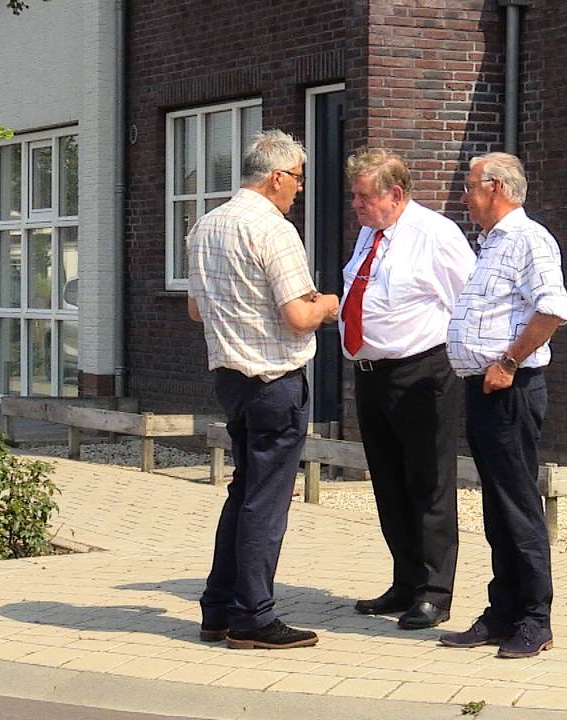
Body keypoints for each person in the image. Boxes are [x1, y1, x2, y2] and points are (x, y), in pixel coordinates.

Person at [186, 129, 340, 650]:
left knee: (242, 491)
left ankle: (218, 609)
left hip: (228, 378)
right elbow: (299, 315)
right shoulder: (274, 231)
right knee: (266, 502)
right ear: (276, 177)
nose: (299, 189)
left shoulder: (206, 225)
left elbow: (194, 308)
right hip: (274, 378)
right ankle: (253, 615)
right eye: (297, 178)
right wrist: (329, 304)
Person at [441, 152, 567, 659]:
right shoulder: (491, 244)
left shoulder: (528, 240)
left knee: (517, 507)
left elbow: (553, 308)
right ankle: (502, 611)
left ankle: (535, 619)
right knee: (496, 508)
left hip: (510, 389)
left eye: (470, 186)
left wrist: (509, 363)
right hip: (483, 388)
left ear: (495, 187)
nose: (465, 196)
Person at [340, 149, 475, 630]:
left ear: (395, 194)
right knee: (389, 482)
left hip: (423, 373)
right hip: (373, 373)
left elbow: (469, 301)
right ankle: (405, 580)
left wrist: (475, 368)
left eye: (363, 196)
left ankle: (436, 592)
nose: (354, 204)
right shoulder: (370, 232)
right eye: (354, 195)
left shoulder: (435, 234)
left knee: (429, 483)